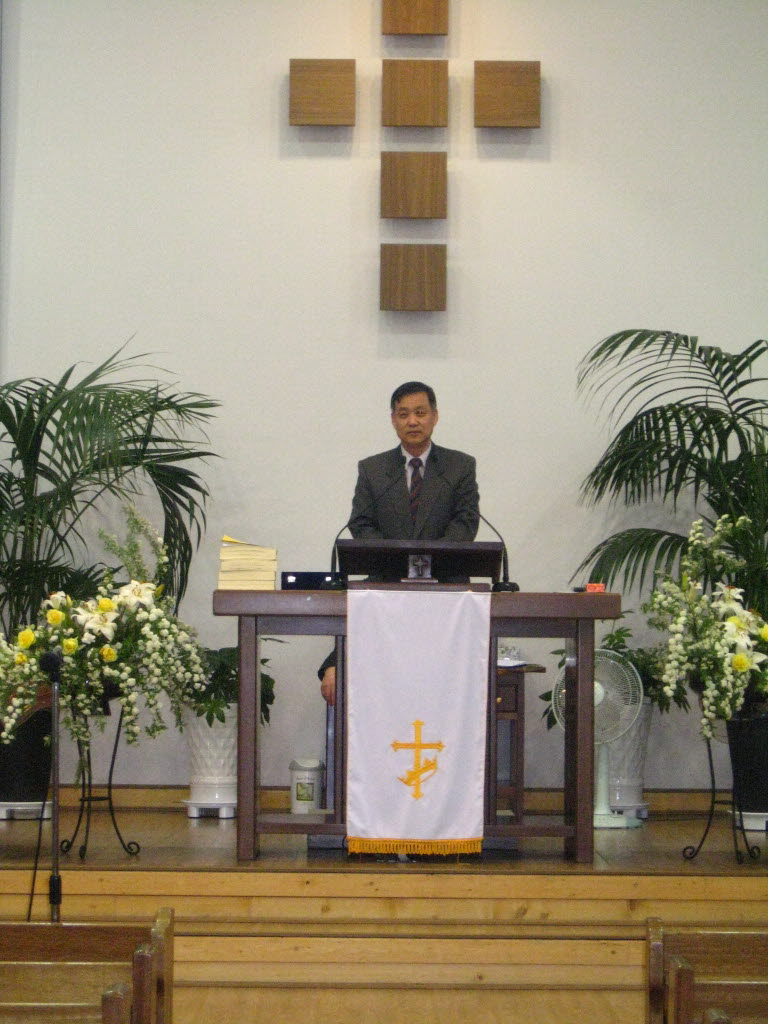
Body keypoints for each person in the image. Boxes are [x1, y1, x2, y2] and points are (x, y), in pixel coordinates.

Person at [319, 381, 479, 705]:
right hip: (386, 583)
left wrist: (429, 559)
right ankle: (336, 665)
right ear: (393, 419)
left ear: (435, 416)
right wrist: (397, 557)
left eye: (420, 413)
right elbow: (361, 523)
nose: (412, 421)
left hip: (445, 586)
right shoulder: (373, 469)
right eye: (404, 414)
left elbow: (466, 522)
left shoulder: (459, 466)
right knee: (346, 660)